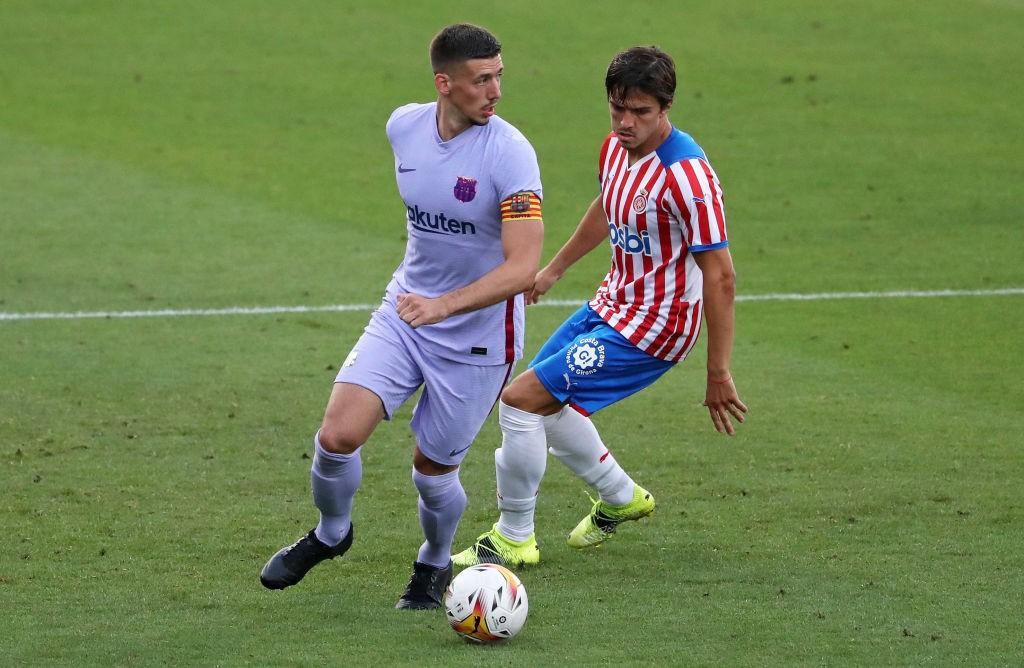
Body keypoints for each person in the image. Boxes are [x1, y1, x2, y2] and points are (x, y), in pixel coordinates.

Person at [259, 23, 544, 609]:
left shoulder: (510, 153)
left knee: (431, 473)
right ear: (444, 83)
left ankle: (434, 563)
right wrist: (426, 300)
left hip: (477, 338)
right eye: (480, 79)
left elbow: (523, 269)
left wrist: (444, 305)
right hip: (406, 311)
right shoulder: (404, 127)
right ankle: (331, 534)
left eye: (499, 77)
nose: (495, 92)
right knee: (336, 436)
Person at [453, 46, 747, 568]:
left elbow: (720, 276)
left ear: (666, 107)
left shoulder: (688, 178)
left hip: (657, 327)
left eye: (641, 113)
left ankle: (514, 536)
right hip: (612, 303)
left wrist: (718, 371)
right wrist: (555, 269)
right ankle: (621, 497)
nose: (626, 123)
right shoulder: (614, 148)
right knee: (543, 400)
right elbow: (607, 207)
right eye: (618, 109)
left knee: (522, 400)